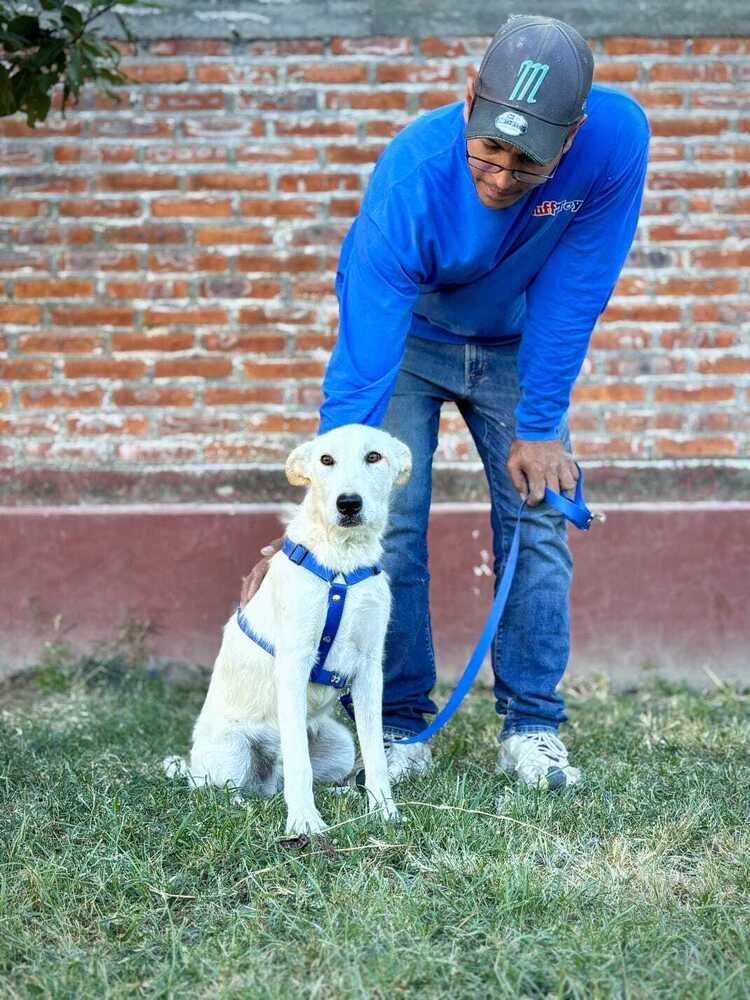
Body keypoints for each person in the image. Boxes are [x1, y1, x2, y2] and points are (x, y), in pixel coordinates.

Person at [241, 14, 650, 790]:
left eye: (526, 161)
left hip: (517, 345)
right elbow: (363, 353)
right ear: (469, 98)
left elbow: (576, 290)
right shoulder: (411, 175)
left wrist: (539, 426)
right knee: (386, 530)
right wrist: (331, 497)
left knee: (537, 513)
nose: (499, 175)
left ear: (573, 136)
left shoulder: (616, 141)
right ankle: (396, 725)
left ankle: (531, 727)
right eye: (489, 148)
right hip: (411, 343)